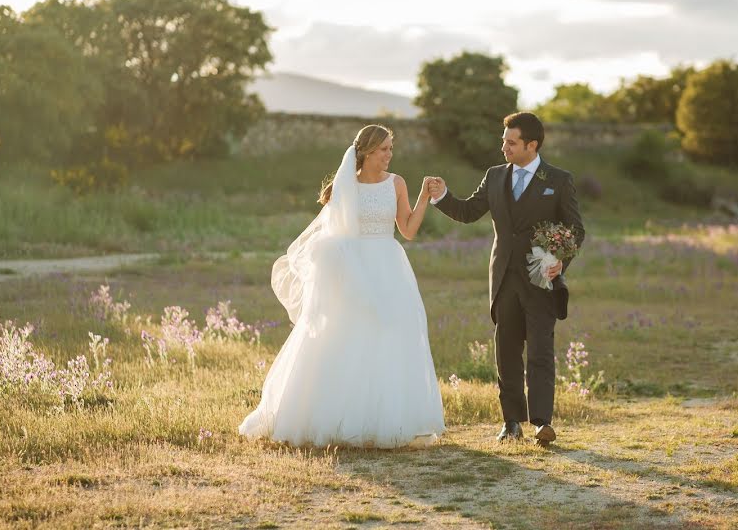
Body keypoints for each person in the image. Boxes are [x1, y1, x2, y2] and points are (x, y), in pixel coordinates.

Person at [239, 124, 445, 448]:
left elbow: (407, 230)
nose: (389, 155)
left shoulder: (397, 183)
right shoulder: (344, 185)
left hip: (389, 266)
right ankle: (338, 418)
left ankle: (389, 420)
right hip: (353, 269)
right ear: (365, 151)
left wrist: (423, 198)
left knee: (391, 335)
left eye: (391, 148)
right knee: (346, 337)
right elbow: (330, 235)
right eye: (383, 150)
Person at [427, 112, 584, 446]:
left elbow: (575, 229)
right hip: (503, 279)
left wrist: (560, 261)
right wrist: (442, 197)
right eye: (503, 140)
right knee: (507, 351)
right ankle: (511, 422)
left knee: (541, 350)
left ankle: (543, 423)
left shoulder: (558, 179)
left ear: (532, 144)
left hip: (541, 279)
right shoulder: (495, 176)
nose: (504, 147)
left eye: (511, 142)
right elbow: (469, 212)